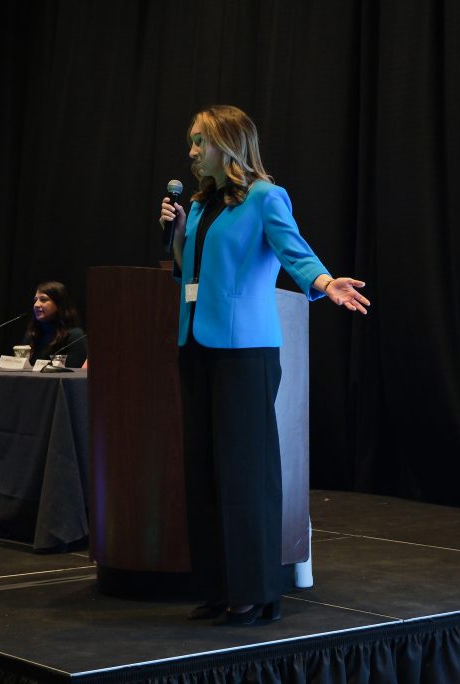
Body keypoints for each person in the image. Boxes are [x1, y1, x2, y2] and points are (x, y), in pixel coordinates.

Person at [158, 105, 370, 626]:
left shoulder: (265, 198)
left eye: (198, 142)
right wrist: (179, 232)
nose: (190, 152)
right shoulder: (205, 206)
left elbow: (294, 252)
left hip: (245, 354)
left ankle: (253, 592)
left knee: (244, 474)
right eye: (190, 142)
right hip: (197, 345)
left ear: (227, 145)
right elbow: (188, 273)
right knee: (205, 470)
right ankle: (216, 585)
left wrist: (325, 284)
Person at [21, 281, 88, 368]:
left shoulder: (74, 336)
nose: (36, 305)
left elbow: (75, 375)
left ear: (59, 304)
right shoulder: (33, 334)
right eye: (35, 300)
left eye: (43, 299)